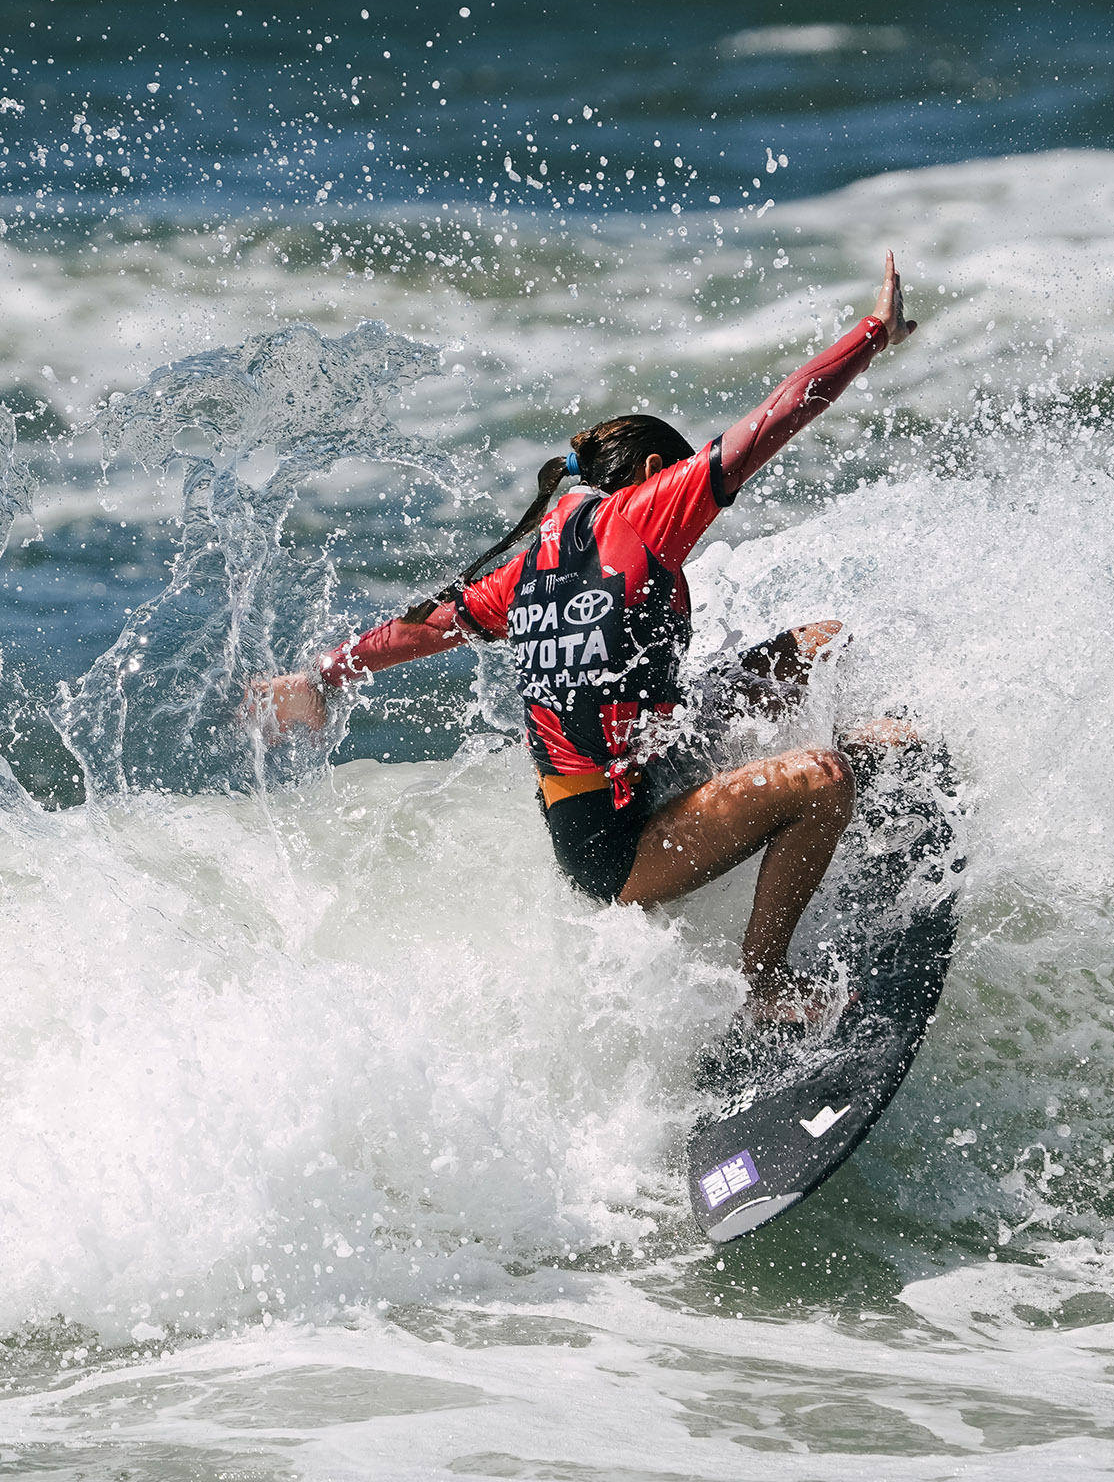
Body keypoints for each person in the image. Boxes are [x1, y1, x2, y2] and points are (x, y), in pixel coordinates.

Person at [254, 251, 918, 1024]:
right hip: (615, 847)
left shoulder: (526, 569)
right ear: (652, 470)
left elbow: (416, 630)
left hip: (649, 767)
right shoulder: (643, 512)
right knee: (821, 778)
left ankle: (851, 768)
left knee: (814, 644)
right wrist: (874, 333)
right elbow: (773, 420)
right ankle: (765, 984)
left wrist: (318, 677)